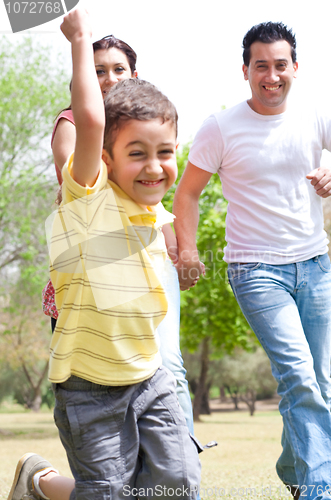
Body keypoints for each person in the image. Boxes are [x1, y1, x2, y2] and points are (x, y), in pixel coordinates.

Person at [7, 9, 201, 500]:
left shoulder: (151, 208)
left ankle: (55, 485)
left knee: (177, 482)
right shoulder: (90, 194)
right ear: (106, 158)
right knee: (107, 493)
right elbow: (91, 118)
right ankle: (41, 481)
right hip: (90, 385)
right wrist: (79, 35)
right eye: (137, 153)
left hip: (147, 373)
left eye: (165, 152)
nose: (154, 167)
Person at [173, 21, 331, 500]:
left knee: (320, 383)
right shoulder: (221, 127)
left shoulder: (316, 117)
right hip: (254, 269)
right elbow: (187, 194)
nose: (271, 75)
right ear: (245, 71)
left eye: (280, 65)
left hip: (315, 264)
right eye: (260, 66)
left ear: (295, 68)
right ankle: (319, 489)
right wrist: (186, 252)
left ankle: (294, 466)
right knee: (299, 375)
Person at [42, 30, 194, 433]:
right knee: (104, 375)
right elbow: (85, 153)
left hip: (148, 256)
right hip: (99, 260)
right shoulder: (76, 124)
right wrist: (79, 34)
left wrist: (181, 250)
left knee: (169, 364)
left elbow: (158, 205)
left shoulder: (145, 126)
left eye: (118, 69)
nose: (109, 78)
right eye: (97, 72)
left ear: (134, 74)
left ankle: (180, 461)